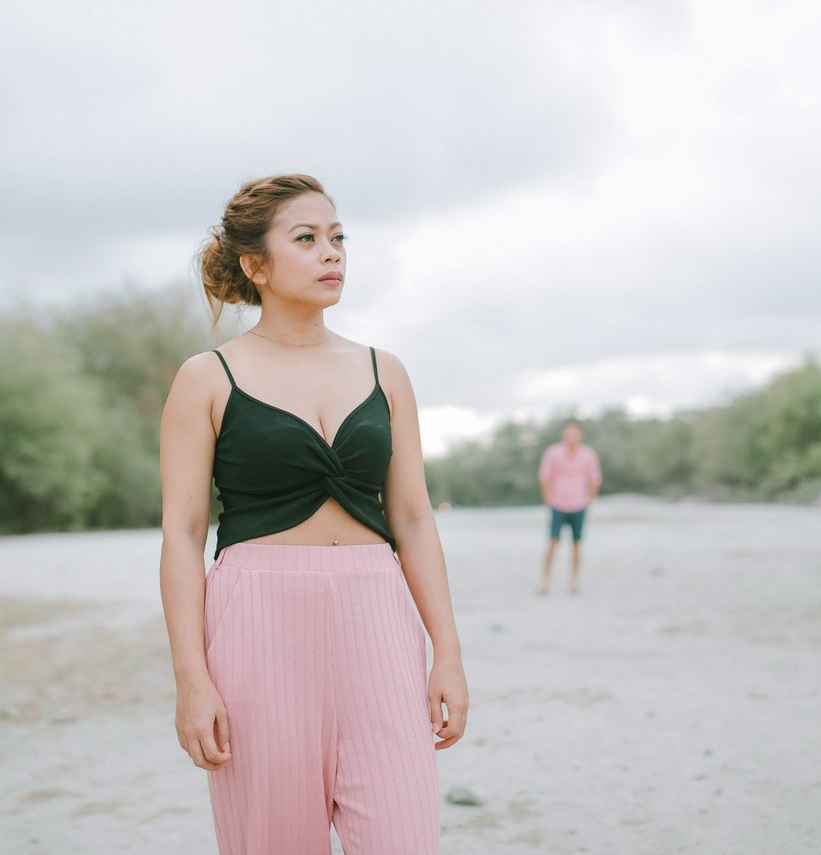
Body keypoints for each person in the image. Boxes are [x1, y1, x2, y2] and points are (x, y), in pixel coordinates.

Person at [158, 174, 468, 855]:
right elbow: (181, 535)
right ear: (255, 265)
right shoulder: (208, 377)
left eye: (337, 237)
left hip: (378, 616)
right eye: (307, 239)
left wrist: (446, 650)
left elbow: (412, 517)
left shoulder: (385, 371)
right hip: (255, 621)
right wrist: (191, 676)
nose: (332, 253)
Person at [536, 420, 602, 595]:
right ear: (564, 434)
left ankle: (574, 580)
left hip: (579, 503)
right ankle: (545, 580)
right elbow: (544, 477)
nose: (572, 436)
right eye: (569, 433)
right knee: (552, 541)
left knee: (576, 543)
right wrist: (547, 499)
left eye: (575, 433)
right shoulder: (553, 453)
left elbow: (594, 477)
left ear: (580, 435)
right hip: (558, 503)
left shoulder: (588, 454)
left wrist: (592, 498)